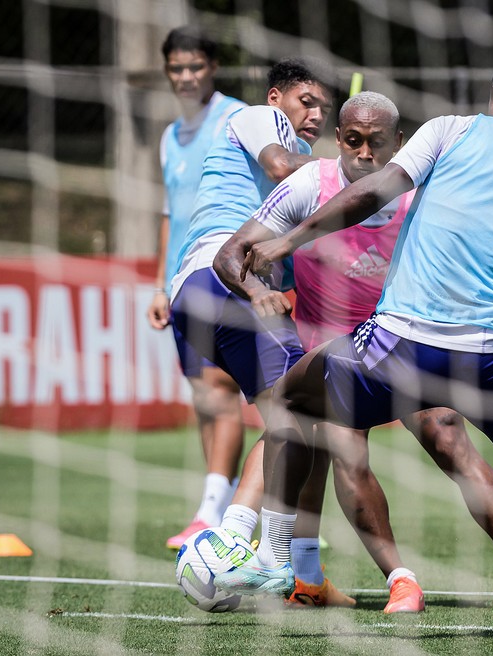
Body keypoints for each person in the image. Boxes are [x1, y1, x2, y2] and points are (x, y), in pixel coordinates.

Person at [220, 53, 493, 639]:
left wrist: (288, 244)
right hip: (490, 362)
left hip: (399, 346)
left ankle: (274, 559)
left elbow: (373, 192)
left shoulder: (450, 130)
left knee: (292, 400)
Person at [217, 91, 493, 613]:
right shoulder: (310, 185)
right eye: (352, 140)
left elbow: (491, 240)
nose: (362, 153)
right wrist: (257, 290)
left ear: (399, 143)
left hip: (408, 343)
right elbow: (232, 254)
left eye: (375, 143)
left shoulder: (424, 191)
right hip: (335, 355)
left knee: (450, 439)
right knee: (344, 451)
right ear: (338, 139)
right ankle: (397, 582)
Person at [167, 55, 351, 604]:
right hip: (223, 276)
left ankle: (295, 572)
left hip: (202, 290)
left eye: (324, 106)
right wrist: (349, 172)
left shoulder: (302, 195)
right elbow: (277, 164)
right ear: (277, 99)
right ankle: (233, 543)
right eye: (306, 102)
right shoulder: (257, 120)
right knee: (296, 413)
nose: (315, 114)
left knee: (296, 417)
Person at [146, 27, 249, 551]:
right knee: (202, 396)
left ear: (212, 67)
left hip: (224, 272)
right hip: (184, 281)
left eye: (195, 66)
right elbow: (170, 215)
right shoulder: (169, 137)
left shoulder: (236, 118)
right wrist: (162, 283)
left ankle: (212, 514)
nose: (186, 76)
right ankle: (228, 510)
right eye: (177, 68)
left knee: (218, 389)